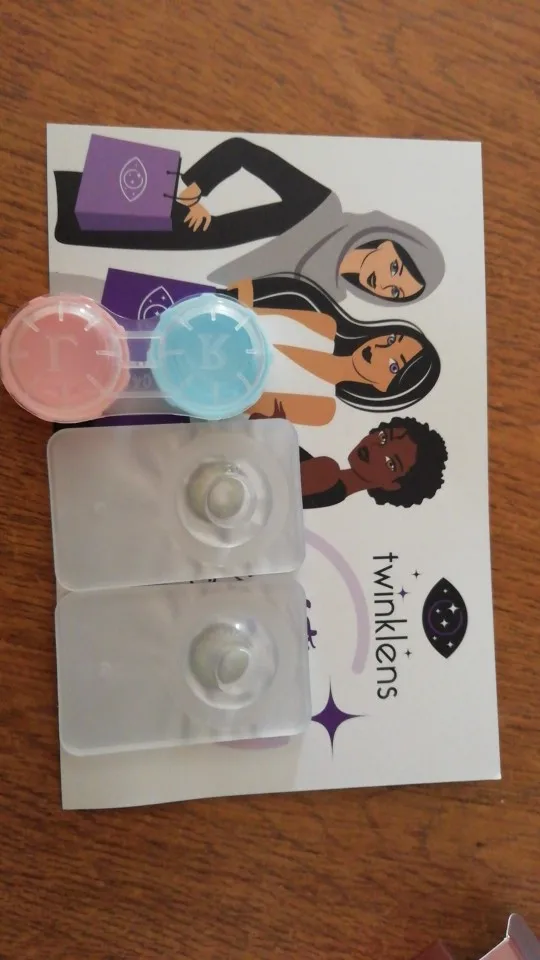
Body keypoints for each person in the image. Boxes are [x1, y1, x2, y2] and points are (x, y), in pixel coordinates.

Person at [54, 137, 445, 305]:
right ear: (390, 240)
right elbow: (243, 152)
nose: (385, 283)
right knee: (70, 203)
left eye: (396, 291)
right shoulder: (324, 208)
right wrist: (196, 188)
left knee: (69, 274)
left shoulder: (324, 296)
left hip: (170, 284)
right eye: (397, 268)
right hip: (175, 223)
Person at [230, 274, 441, 425]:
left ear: (387, 389)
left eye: (393, 365)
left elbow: (241, 414)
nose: (380, 348)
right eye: (392, 339)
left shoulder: (321, 409)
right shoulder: (318, 313)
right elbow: (227, 296)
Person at [296, 415, 447, 509]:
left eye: (391, 463)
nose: (374, 449)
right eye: (383, 438)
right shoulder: (331, 485)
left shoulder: (327, 471)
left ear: (392, 485)